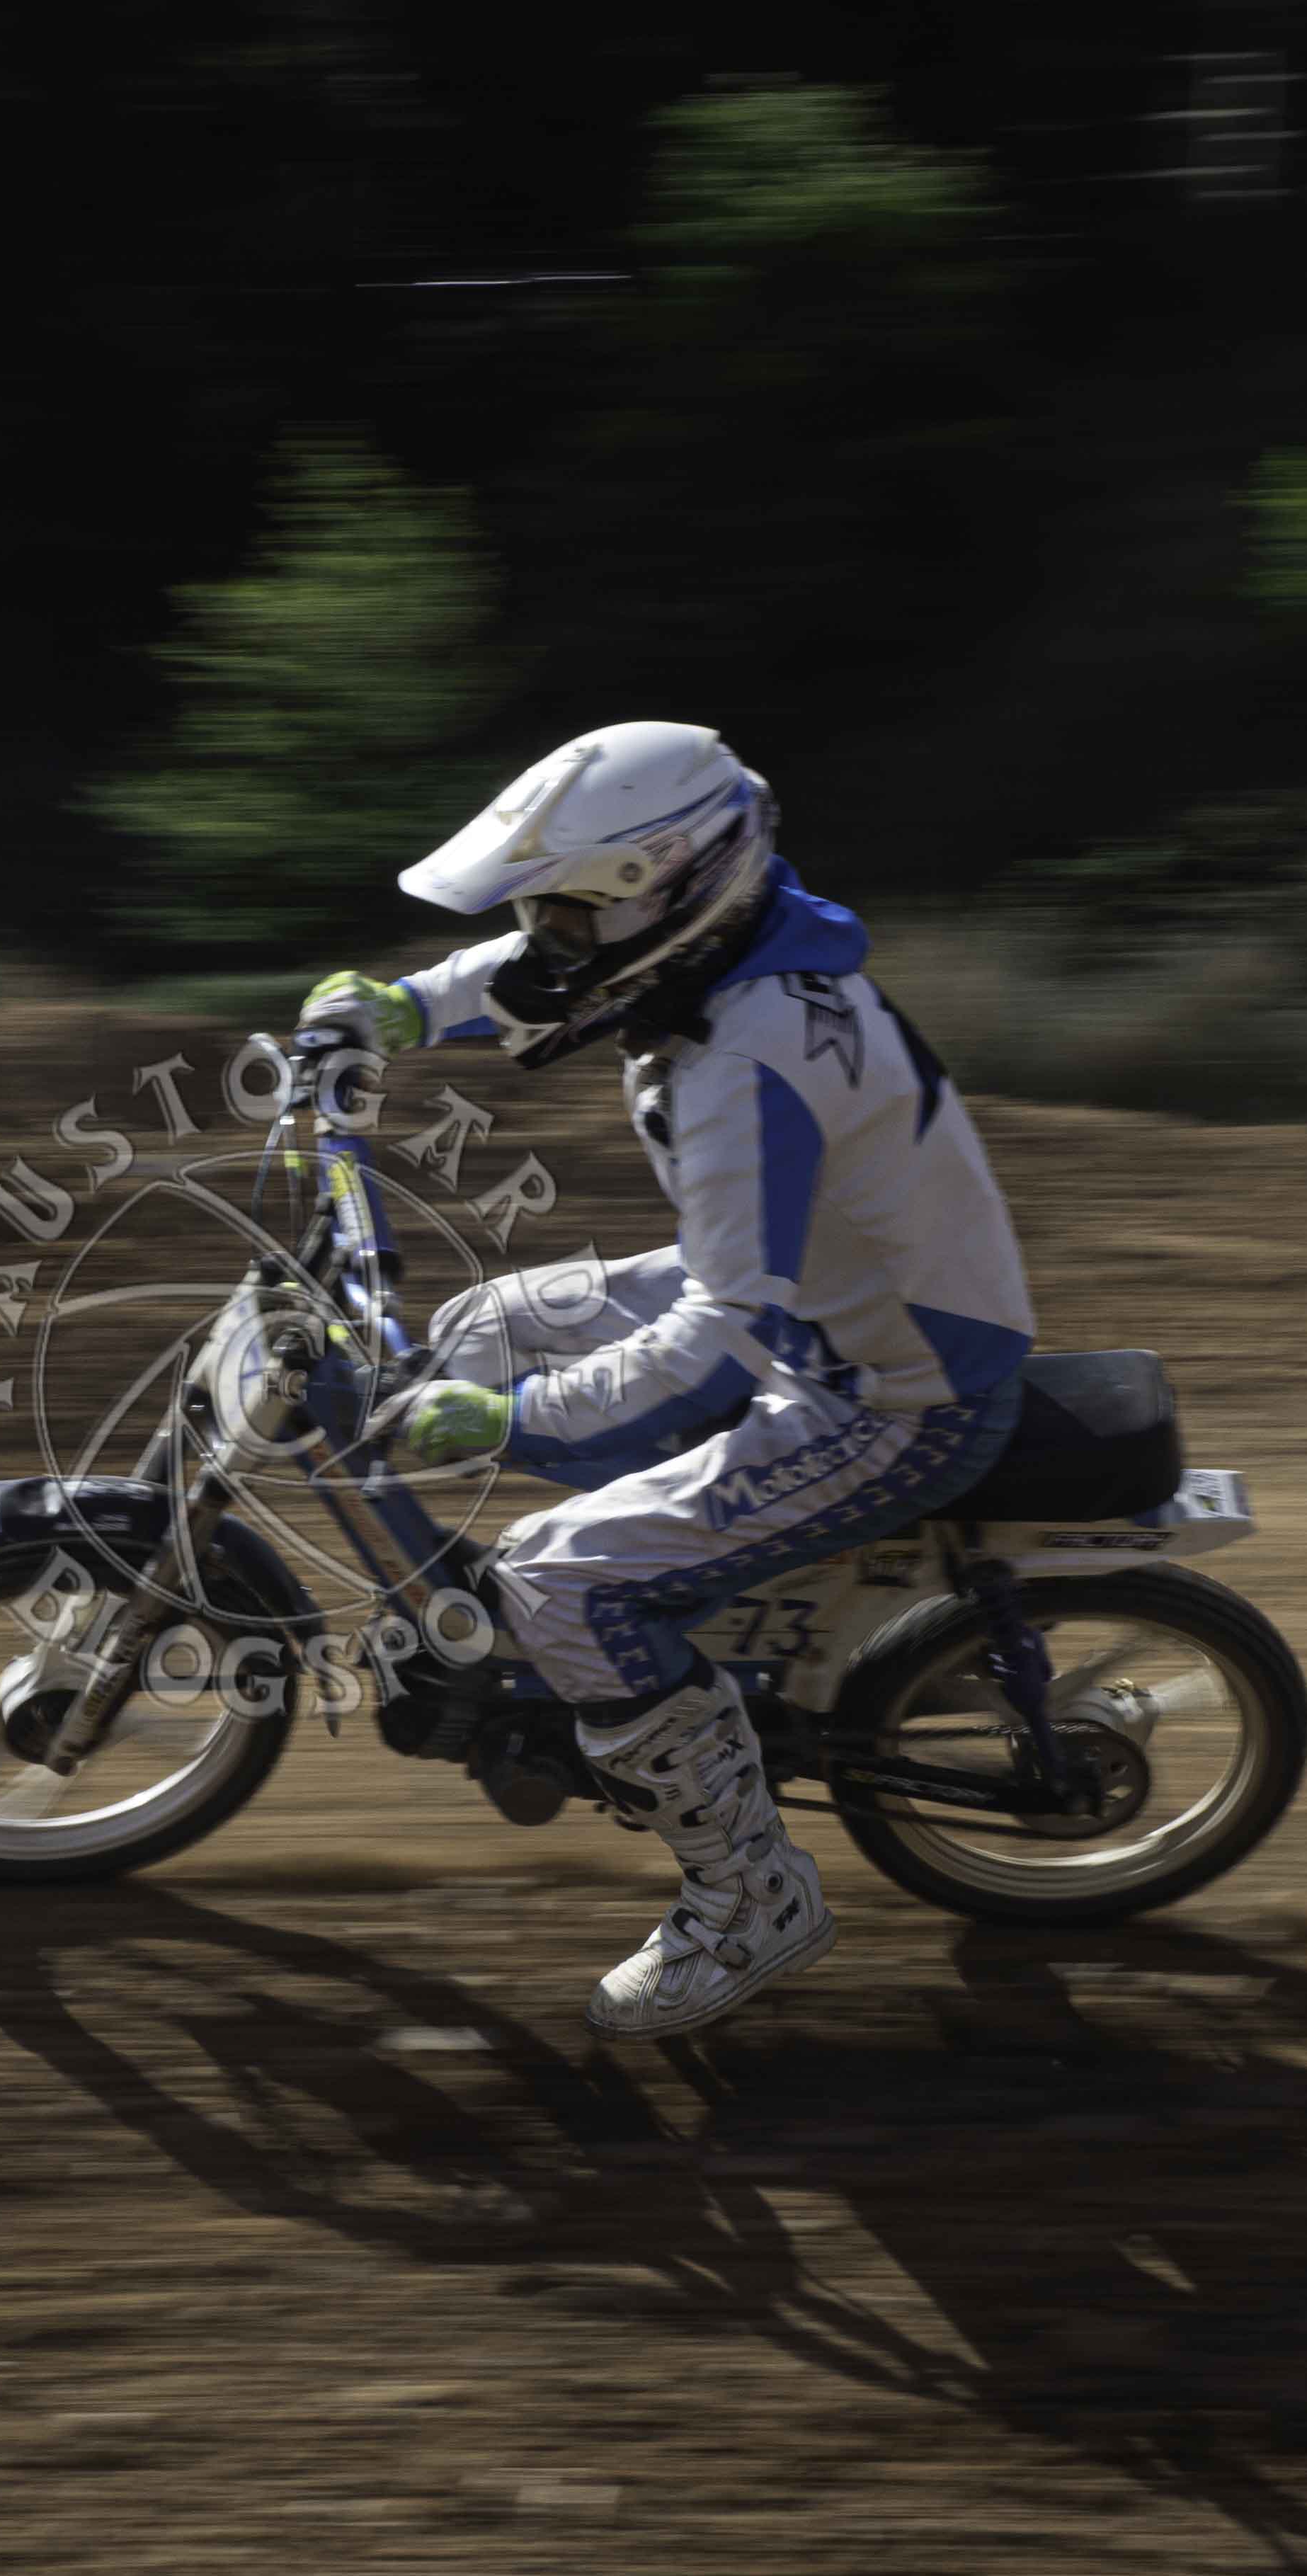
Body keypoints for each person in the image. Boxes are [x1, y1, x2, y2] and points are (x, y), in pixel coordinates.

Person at [298, 721, 1035, 2037]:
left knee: (556, 1580)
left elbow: (718, 1341)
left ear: (671, 894)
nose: (545, 940)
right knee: (476, 1331)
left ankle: (752, 1898)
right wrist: (407, 1007)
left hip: (886, 1388)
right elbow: (542, 971)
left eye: (570, 913)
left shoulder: (752, 1052)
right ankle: (634, 1644)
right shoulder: (728, 952)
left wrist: (511, 1424)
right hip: (820, 1304)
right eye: (539, 910)